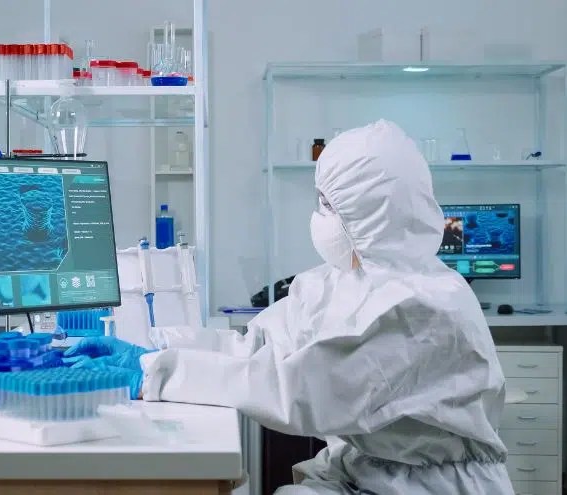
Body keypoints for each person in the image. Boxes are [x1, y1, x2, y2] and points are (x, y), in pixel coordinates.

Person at [64, 120, 513, 494]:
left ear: (372, 214)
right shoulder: (342, 279)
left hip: (430, 486)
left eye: (329, 206)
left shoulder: (421, 308)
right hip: (368, 472)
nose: (319, 217)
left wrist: (154, 373)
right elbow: (258, 347)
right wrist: (154, 346)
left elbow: (294, 389)